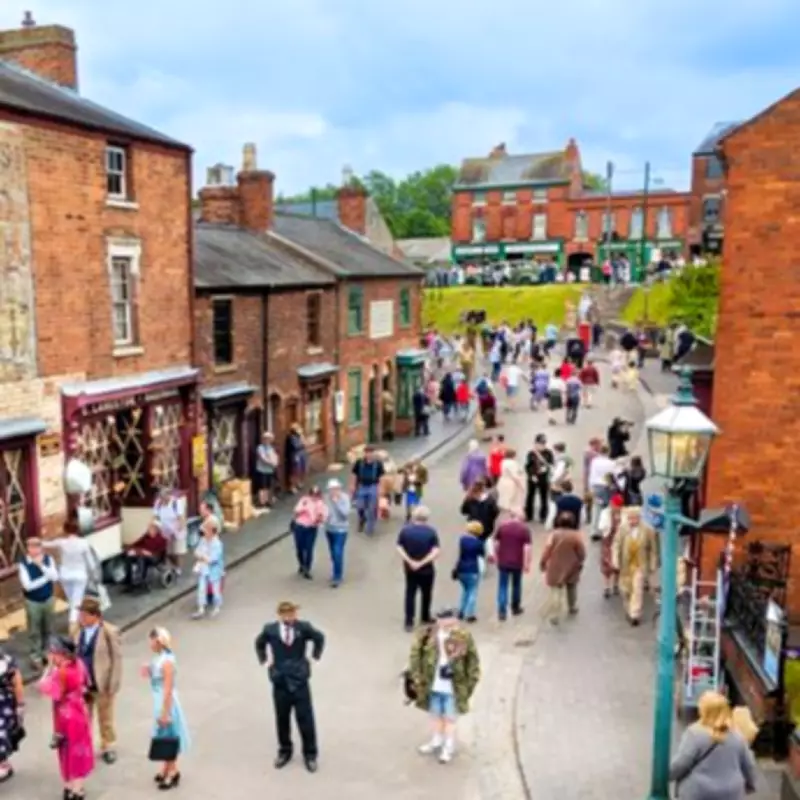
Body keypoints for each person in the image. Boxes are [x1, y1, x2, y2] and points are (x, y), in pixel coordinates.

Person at [254, 601, 326, 773]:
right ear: (280, 615)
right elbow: (259, 643)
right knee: (282, 718)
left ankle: (310, 753)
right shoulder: (270, 630)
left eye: (292, 614)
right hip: (280, 679)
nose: (290, 617)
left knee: (305, 718)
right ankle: (285, 750)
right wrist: (265, 661)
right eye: (286, 614)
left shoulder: (303, 628)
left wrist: (314, 658)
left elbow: (319, 637)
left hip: (299, 678)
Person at [409, 609, 481, 765]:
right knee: (435, 715)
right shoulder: (428, 635)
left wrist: (470, 684)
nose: (448, 623)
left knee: (449, 718)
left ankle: (448, 747)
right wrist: (416, 676)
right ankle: (436, 740)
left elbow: (473, 662)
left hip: (453, 686)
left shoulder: (463, 636)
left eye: (451, 619)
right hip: (433, 683)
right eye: (443, 619)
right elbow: (416, 654)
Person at [669, 690, 758, 799]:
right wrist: (750, 785)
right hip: (730, 793)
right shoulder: (737, 736)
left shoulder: (695, 734)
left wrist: (665, 777)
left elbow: (681, 763)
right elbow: (748, 765)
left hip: (699, 792)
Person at [39, 636, 94, 799]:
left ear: (60, 653)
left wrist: (47, 669)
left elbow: (44, 687)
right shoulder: (79, 664)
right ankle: (78, 788)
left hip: (65, 716)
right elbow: (85, 683)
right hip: (79, 710)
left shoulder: (59, 672)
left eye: (52, 653)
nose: (50, 656)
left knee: (66, 750)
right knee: (80, 750)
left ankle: (71, 788)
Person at [76, 596, 123, 764]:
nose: (81, 618)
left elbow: (117, 659)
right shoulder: (78, 631)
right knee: (83, 718)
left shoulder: (109, 631)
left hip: (102, 682)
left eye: (84, 615)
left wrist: (113, 683)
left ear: (95, 616)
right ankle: (85, 747)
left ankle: (108, 746)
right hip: (84, 683)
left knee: (105, 717)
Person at [145, 627, 190, 790]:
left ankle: (172, 771)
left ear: (158, 641)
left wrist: (165, 712)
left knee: (168, 736)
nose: (149, 644)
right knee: (164, 735)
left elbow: (168, 688)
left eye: (151, 640)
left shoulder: (167, 662)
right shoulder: (160, 658)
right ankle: (166, 768)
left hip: (166, 702)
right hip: (159, 700)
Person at [44, 527, 98, 633]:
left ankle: (78, 620)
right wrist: (93, 574)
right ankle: (73, 627)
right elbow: (90, 562)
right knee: (76, 602)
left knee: (72, 600)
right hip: (79, 575)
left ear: (65, 531)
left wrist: (36, 543)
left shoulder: (62, 543)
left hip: (65, 576)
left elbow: (47, 544)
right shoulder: (84, 543)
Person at [397, 506, 441, 632]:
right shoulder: (431, 532)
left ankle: (409, 621)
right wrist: (422, 562)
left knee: (410, 593)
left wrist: (410, 561)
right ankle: (425, 616)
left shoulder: (405, 531)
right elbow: (436, 551)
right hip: (426, 569)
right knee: (426, 593)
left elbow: (399, 547)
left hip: (410, 569)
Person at [612, 507, 658, 626]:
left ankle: (635, 614)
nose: (632, 521)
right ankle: (629, 609)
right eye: (630, 519)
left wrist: (653, 564)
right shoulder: (622, 529)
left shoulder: (648, 530)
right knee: (626, 590)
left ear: (639, 518)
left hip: (640, 565)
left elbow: (653, 549)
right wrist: (615, 560)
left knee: (637, 589)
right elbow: (616, 545)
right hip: (625, 565)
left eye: (634, 518)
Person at [18, 536, 59, 671]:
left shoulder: (48, 560)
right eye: (31, 546)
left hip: (48, 598)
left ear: (41, 547)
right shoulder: (23, 564)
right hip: (33, 601)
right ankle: (35, 655)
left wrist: (41, 566)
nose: (35, 549)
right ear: (28, 548)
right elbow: (28, 586)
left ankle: (47, 653)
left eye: (37, 546)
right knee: (34, 630)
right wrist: (45, 577)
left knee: (48, 628)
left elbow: (55, 577)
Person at [539, 511, 586, 625]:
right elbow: (582, 552)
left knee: (555, 590)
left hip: (555, 565)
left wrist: (543, 562)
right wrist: (580, 561)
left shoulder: (553, 535)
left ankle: (555, 614)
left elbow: (547, 550)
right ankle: (572, 606)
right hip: (572, 565)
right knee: (571, 587)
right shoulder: (576, 536)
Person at [493, 512, 532, 620]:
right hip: (517, 562)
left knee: (503, 586)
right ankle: (515, 607)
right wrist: (526, 563)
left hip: (503, 561)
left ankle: (502, 611)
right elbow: (527, 548)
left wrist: (496, 557)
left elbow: (496, 544)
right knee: (516, 585)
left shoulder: (502, 526)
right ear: (522, 518)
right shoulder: (524, 529)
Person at [191, 514, 225, 617]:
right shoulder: (203, 540)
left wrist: (203, 557)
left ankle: (217, 606)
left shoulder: (217, 544)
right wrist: (203, 557)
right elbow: (196, 552)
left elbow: (212, 559)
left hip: (214, 571)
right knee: (201, 588)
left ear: (211, 531)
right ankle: (201, 608)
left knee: (215, 590)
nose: (203, 532)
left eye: (205, 530)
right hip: (204, 569)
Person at [290, 486, 326, 579]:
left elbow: (322, 516)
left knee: (309, 548)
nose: (314, 497)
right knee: (299, 548)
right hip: (300, 526)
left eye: (316, 495)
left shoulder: (320, 504)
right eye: (312, 494)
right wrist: (295, 518)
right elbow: (296, 510)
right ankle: (301, 564)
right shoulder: (304, 500)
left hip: (311, 528)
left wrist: (319, 518)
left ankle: (307, 568)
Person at [122, 519, 169, 591]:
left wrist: (149, 553)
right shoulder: (146, 536)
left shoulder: (162, 539)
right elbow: (136, 544)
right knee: (129, 558)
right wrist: (129, 549)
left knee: (141, 558)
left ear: (156, 529)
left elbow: (161, 553)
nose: (148, 529)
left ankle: (140, 581)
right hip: (142, 554)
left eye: (150, 527)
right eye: (149, 527)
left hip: (154, 557)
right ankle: (128, 581)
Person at [454, 521, 485, 623]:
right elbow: (481, 554)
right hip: (472, 569)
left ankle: (461, 611)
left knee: (465, 590)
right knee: (472, 591)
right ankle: (470, 614)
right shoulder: (479, 543)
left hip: (461, 569)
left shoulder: (462, 540)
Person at [0, 650, 24, 782]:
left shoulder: (8, 661)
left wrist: (20, 704)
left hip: (4, 704)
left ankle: (3, 764)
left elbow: (17, 684)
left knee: (2, 734)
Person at [351, 445, 385, 536]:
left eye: (371, 452)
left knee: (372, 508)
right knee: (360, 506)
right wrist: (353, 486)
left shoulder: (378, 463)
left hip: (373, 486)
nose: (369, 454)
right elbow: (354, 474)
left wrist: (380, 488)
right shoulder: (359, 462)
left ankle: (370, 528)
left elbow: (381, 477)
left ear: (374, 453)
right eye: (367, 453)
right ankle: (362, 519)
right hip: (362, 486)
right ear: (365, 453)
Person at [323, 479, 350, 588]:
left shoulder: (344, 498)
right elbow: (324, 510)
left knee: (337, 551)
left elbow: (345, 514)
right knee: (333, 552)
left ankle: (337, 576)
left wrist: (336, 502)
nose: (333, 491)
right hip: (329, 528)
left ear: (339, 489)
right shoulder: (326, 498)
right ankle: (336, 570)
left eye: (335, 489)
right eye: (331, 489)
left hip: (341, 529)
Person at [153, 487, 187, 572]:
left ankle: (178, 569)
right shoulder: (158, 502)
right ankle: (171, 567)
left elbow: (181, 518)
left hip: (177, 530)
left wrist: (178, 530)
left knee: (176, 552)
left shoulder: (176, 502)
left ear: (169, 496)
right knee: (167, 552)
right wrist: (155, 526)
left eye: (164, 498)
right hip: (165, 530)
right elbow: (155, 516)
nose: (163, 500)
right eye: (161, 498)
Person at [588, 444, 616, 540]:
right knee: (607, 508)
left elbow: (591, 474)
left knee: (596, 508)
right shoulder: (611, 463)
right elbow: (613, 476)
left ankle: (594, 530)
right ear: (608, 452)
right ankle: (605, 529)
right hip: (606, 487)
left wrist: (590, 487)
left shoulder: (594, 461)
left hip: (596, 486)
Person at [524, 434, 553, 524]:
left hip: (543, 478)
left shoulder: (548, 453)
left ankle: (543, 516)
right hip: (533, 478)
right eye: (540, 443)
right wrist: (531, 475)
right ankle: (529, 515)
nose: (542, 445)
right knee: (530, 496)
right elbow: (527, 466)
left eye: (543, 443)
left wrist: (546, 469)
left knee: (544, 497)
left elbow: (551, 464)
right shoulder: (531, 453)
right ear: (536, 443)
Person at [599, 494, 624, 597]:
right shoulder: (605, 513)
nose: (617, 508)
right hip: (608, 541)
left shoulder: (624, 514)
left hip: (619, 542)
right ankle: (606, 587)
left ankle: (616, 584)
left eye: (619, 506)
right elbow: (601, 526)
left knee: (618, 563)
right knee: (606, 564)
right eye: (615, 505)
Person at [496, 450, 526, 519]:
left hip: (503, 481)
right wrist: (521, 486)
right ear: (513, 456)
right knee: (513, 502)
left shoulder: (503, 462)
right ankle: (512, 517)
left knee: (505, 501)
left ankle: (506, 516)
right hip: (511, 484)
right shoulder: (512, 463)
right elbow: (515, 476)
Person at [255, 432, 280, 509]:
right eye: (266, 439)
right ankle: (261, 502)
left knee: (268, 486)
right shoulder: (260, 448)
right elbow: (262, 458)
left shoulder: (271, 448)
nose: (268, 441)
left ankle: (266, 501)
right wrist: (271, 463)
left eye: (269, 439)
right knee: (262, 486)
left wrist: (276, 462)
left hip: (270, 470)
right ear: (263, 439)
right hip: (262, 470)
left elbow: (275, 456)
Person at [285, 424, 307, 493]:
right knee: (294, 471)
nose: (299, 430)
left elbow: (305, 443)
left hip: (301, 455)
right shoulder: (291, 437)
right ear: (294, 430)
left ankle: (298, 483)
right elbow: (296, 446)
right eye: (297, 428)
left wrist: (302, 438)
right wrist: (302, 443)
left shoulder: (299, 436)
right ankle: (292, 487)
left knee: (300, 470)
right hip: (294, 456)